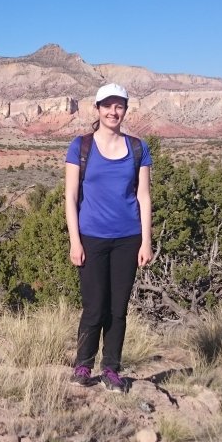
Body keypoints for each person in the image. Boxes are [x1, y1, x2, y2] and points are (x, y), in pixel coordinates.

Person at [64, 82, 153, 392]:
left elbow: (143, 196)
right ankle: (83, 365)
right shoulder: (81, 146)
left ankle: (111, 369)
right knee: (94, 306)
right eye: (108, 105)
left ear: (125, 110)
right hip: (91, 237)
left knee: (118, 308)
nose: (114, 111)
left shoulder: (138, 148)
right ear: (97, 108)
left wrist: (146, 241)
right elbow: (70, 196)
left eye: (119, 106)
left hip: (128, 237)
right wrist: (75, 241)